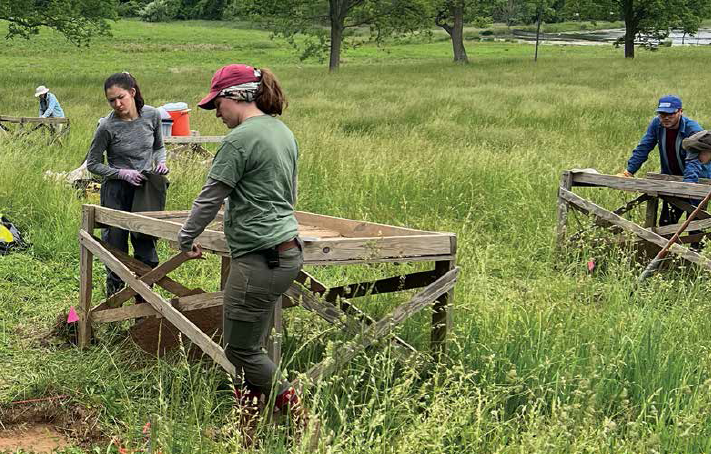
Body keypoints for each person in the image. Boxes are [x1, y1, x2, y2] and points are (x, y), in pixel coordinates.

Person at [177, 64, 306, 432]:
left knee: (240, 349)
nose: (216, 113)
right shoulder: (282, 132)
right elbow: (288, 196)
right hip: (285, 250)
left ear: (237, 96)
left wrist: (186, 238)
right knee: (252, 345)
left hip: (259, 259)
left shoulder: (240, 139)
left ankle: (301, 420)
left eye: (217, 104)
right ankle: (247, 427)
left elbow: (210, 197)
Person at [86, 72, 169, 297]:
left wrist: (161, 163)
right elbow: (92, 164)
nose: (118, 104)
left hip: (144, 189)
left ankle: (145, 306)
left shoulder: (152, 115)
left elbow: (159, 147)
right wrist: (121, 173)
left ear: (132, 93)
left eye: (121, 97)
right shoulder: (106, 126)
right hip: (116, 191)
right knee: (115, 248)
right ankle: (113, 304)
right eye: (111, 100)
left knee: (145, 244)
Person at [617, 95, 703, 225]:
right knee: (666, 222)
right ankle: (664, 244)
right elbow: (644, 147)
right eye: (662, 114)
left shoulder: (693, 130)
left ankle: (694, 245)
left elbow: (693, 161)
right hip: (671, 177)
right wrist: (629, 171)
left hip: (697, 178)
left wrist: (688, 187)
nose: (666, 118)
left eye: (671, 114)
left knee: (695, 224)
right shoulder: (657, 124)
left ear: (680, 111)